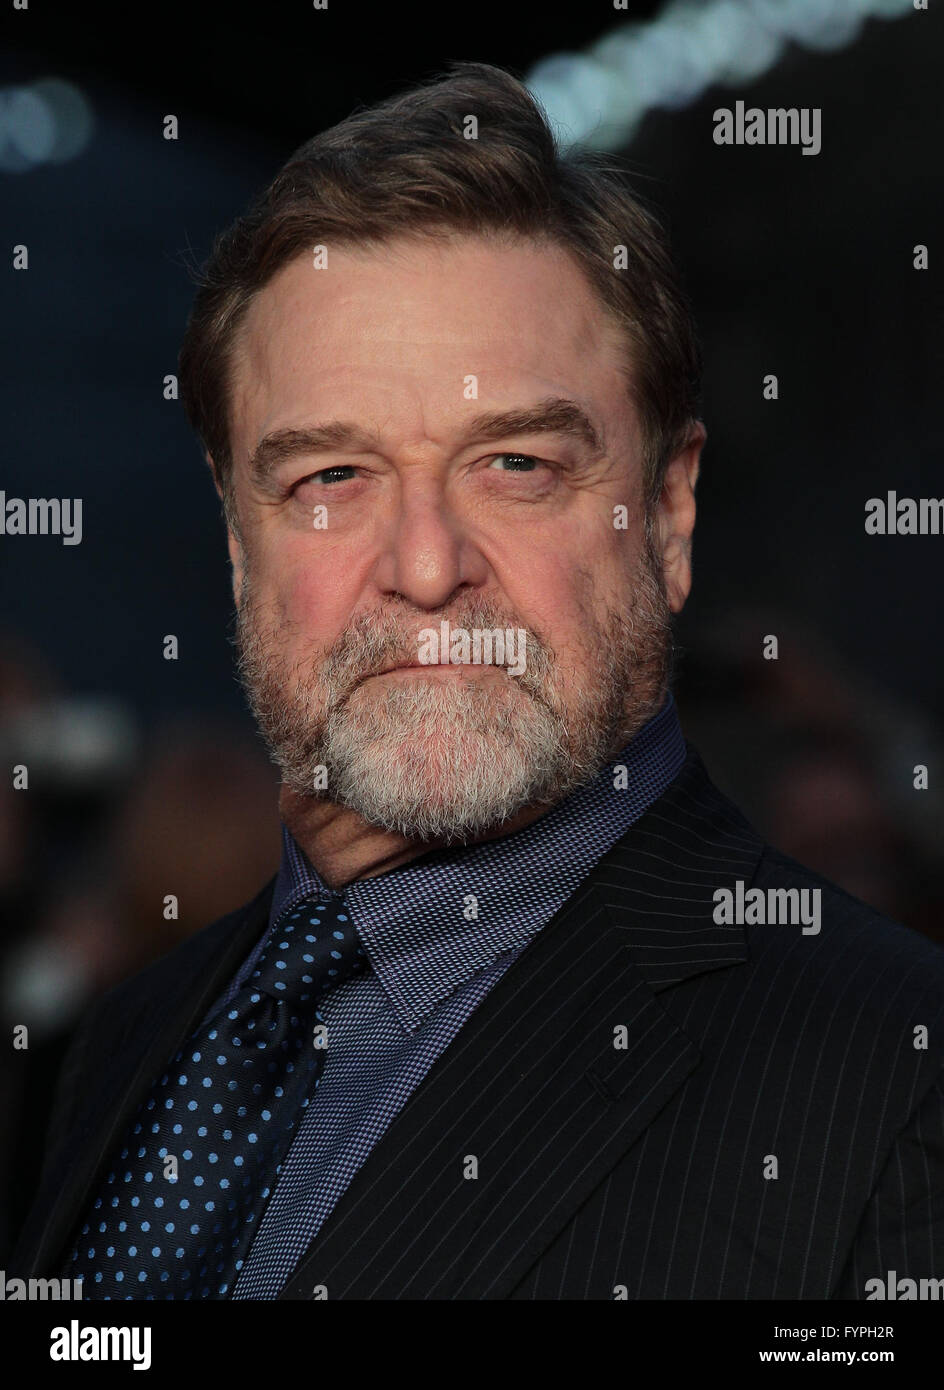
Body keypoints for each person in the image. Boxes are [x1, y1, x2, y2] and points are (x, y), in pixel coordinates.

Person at [13, 60, 944, 1301]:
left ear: (667, 515)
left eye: (511, 462)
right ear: (241, 550)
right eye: (329, 479)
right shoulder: (137, 1043)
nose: (424, 566)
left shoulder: (889, 1073)